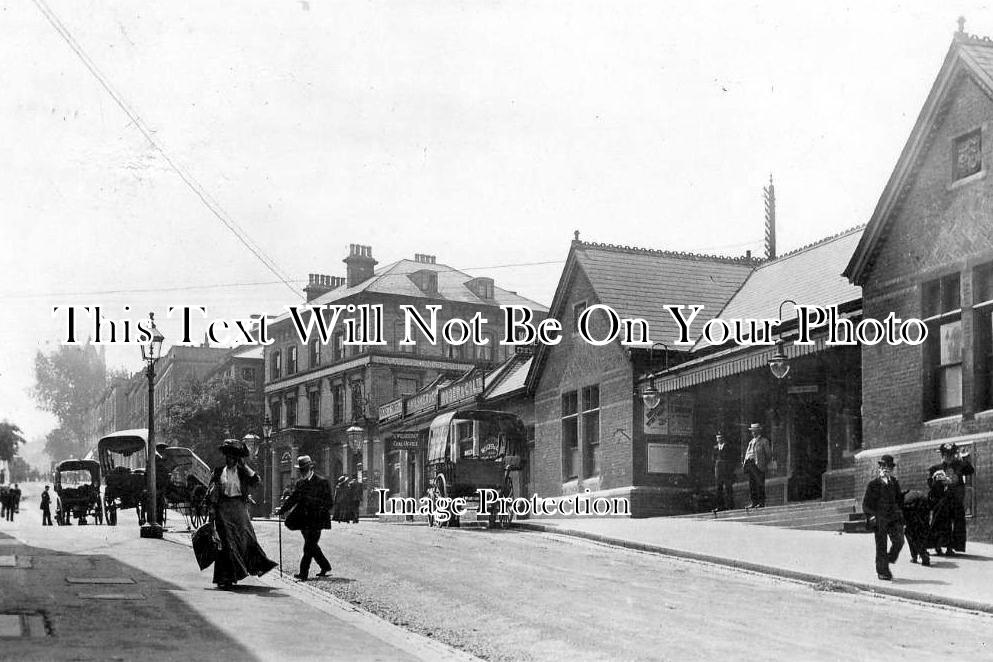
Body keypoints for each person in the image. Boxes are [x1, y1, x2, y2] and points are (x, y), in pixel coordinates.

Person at [207, 440, 277, 589]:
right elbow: (211, 492)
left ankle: (253, 567)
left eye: (233, 457)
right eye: (228, 457)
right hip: (223, 509)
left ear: (237, 459)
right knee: (226, 542)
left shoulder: (242, 472)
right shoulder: (219, 471)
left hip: (239, 509)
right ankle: (225, 578)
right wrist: (212, 511)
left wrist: (245, 466)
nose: (230, 460)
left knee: (246, 538)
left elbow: (257, 482)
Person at [278, 455, 334, 581]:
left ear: (310, 467)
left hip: (317, 519)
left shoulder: (322, 482)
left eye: (304, 469)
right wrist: (282, 510)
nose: (302, 472)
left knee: (308, 546)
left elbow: (329, 502)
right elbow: (293, 498)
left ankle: (303, 573)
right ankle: (325, 566)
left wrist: (313, 502)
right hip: (304, 520)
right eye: (300, 470)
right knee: (312, 545)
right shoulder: (300, 483)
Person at [862, 454, 905, 581]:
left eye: (888, 467)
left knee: (899, 541)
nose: (885, 469)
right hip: (879, 519)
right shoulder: (873, 484)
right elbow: (866, 504)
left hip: (893, 518)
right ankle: (882, 571)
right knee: (881, 546)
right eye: (883, 466)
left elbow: (899, 500)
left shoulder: (894, 483)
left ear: (892, 469)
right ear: (879, 468)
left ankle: (889, 558)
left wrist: (900, 513)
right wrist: (871, 516)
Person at [927, 442, 974, 554]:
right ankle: (937, 546)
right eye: (946, 454)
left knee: (956, 522)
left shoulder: (959, 465)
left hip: (955, 500)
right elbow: (930, 486)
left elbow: (970, 470)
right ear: (942, 455)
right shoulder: (935, 468)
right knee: (939, 522)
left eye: (951, 454)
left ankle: (950, 547)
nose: (948, 457)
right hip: (941, 501)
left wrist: (963, 459)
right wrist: (937, 480)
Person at [742, 423, 772, 509]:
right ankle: (754, 502)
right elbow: (748, 453)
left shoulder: (764, 441)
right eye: (752, 431)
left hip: (758, 464)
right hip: (750, 463)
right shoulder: (751, 442)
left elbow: (768, 454)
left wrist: (764, 463)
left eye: (755, 431)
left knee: (760, 483)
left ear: (758, 431)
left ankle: (761, 502)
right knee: (752, 484)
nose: (753, 433)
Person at [712, 433, 737, 512]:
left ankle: (730, 505)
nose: (719, 439)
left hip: (727, 471)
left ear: (723, 438)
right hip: (719, 471)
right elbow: (713, 459)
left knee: (728, 488)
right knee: (719, 488)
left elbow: (732, 459)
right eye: (718, 438)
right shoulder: (715, 448)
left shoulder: (728, 447)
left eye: (720, 438)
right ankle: (720, 506)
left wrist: (731, 470)